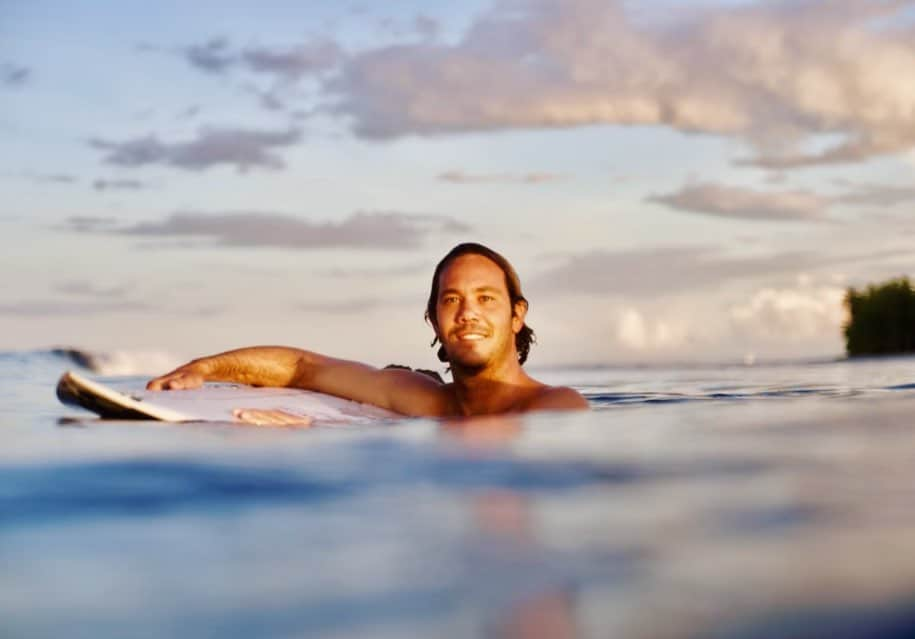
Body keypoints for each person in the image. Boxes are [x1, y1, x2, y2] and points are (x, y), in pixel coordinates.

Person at [147, 242, 589, 417]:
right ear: (434, 319)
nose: (467, 313)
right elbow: (304, 368)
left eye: (486, 299)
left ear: (517, 315)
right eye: (451, 300)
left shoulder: (556, 405)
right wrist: (202, 368)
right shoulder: (422, 397)